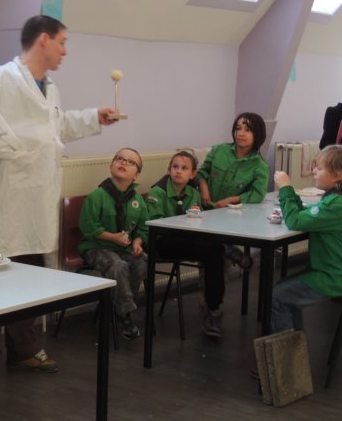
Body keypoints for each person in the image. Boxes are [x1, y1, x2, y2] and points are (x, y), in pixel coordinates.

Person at [0, 14, 119, 389]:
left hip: (38, 197)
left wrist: (94, 117)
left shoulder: (50, 88)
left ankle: (23, 350)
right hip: (9, 195)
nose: (65, 51)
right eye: (62, 42)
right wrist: (36, 152)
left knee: (29, 278)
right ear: (43, 39)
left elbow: (56, 129)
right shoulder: (1, 78)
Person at [146, 150, 227, 338]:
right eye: (175, 167)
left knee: (214, 252)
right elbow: (156, 227)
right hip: (162, 243)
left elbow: (198, 218)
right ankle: (226, 251)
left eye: (184, 168)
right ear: (168, 170)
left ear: (192, 174)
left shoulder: (193, 192)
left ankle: (213, 309)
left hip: (187, 241)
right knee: (213, 248)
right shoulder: (157, 192)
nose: (178, 171)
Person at [79, 147, 148, 340]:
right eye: (119, 159)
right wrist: (112, 237)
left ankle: (118, 306)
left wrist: (137, 242)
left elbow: (143, 227)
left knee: (142, 261)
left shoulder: (137, 200)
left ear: (136, 175)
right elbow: (88, 227)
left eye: (131, 162)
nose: (124, 162)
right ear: (111, 166)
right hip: (96, 247)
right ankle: (124, 315)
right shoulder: (97, 196)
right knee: (118, 265)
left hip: (123, 248)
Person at [271, 145, 342, 333]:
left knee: (279, 296)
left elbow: (295, 221)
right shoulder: (335, 200)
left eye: (319, 168)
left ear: (338, 175)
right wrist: (293, 197)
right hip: (332, 272)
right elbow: (308, 214)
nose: (314, 171)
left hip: (333, 277)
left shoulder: (336, 204)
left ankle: (287, 352)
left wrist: (286, 187)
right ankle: (295, 347)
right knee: (284, 291)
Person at [196, 112, 269, 269]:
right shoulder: (219, 150)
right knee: (209, 254)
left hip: (228, 218)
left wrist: (232, 199)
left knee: (216, 260)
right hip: (203, 211)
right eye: (238, 128)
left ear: (258, 134)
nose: (240, 133)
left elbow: (257, 194)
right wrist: (203, 187)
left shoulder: (260, 165)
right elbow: (202, 172)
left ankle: (226, 251)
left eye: (247, 130)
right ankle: (228, 251)